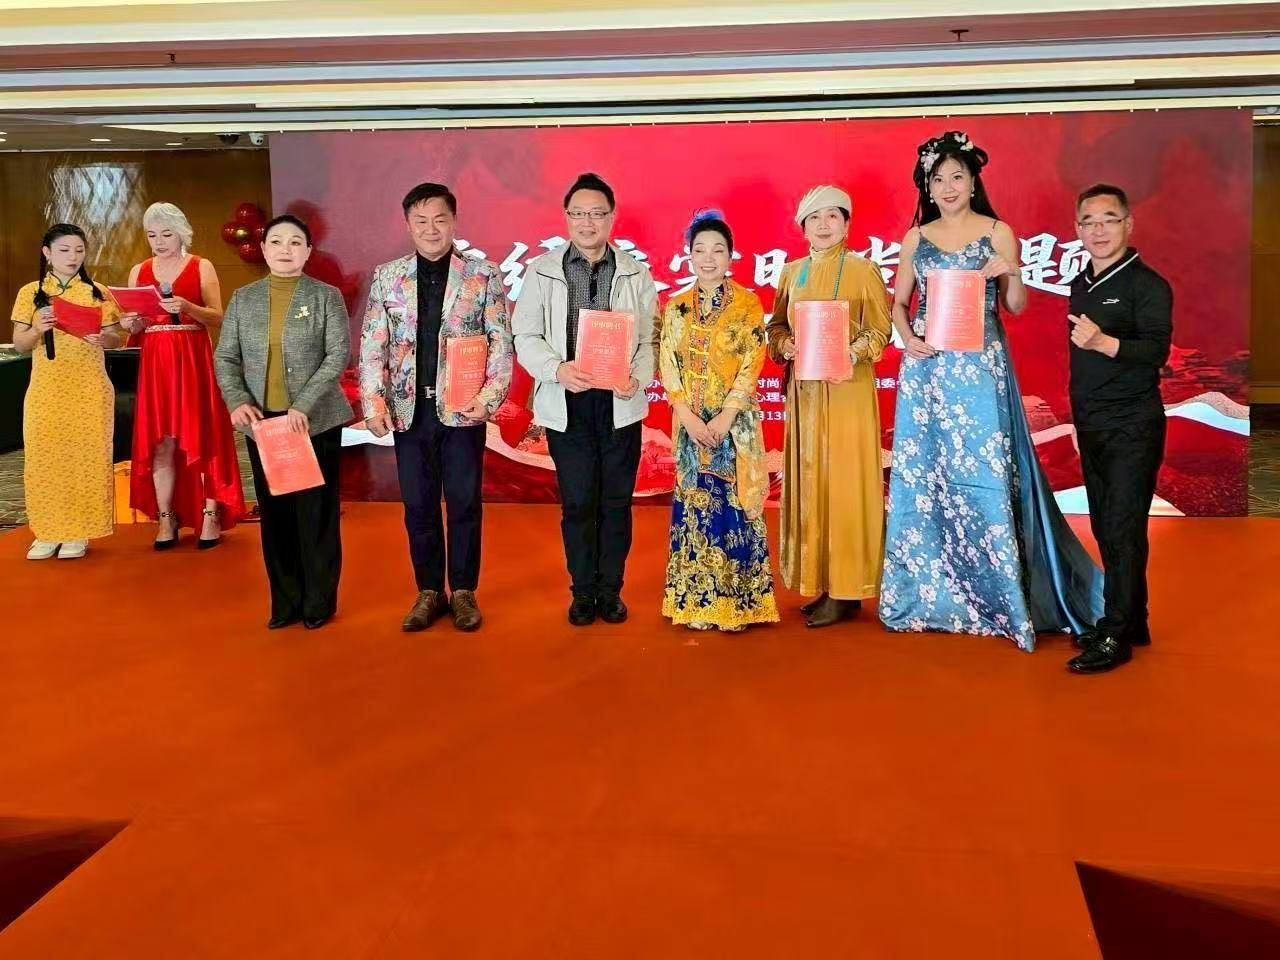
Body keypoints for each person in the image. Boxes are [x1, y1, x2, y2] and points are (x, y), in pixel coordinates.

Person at [879, 130, 1103, 651]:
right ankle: (929, 597)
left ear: (973, 180)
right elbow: (900, 304)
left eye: (957, 177)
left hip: (981, 369)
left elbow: (1017, 305)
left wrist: (1011, 272)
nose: (948, 187)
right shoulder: (916, 238)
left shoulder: (998, 232)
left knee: (986, 474)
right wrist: (909, 338)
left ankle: (1001, 596)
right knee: (927, 476)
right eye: (938, 179)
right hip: (929, 373)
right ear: (927, 187)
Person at [359, 182, 513, 633]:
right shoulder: (388, 277)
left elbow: (501, 343)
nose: (431, 229)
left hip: (463, 409)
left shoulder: (482, 275)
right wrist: (373, 402)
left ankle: (463, 591)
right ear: (408, 224)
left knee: (464, 502)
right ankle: (429, 591)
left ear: (454, 222)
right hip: (409, 412)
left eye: (440, 219)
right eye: (421, 221)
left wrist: (488, 398)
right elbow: (372, 344)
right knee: (418, 505)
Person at [512, 172, 659, 627]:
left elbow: (650, 339)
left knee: (615, 502)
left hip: (619, 404)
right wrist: (557, 369)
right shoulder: (542, 270)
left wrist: (637, 377)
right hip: (567, 401)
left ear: (612, 218)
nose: (587, 222)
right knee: (577, 503)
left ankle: (610, 590)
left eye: (597, 213)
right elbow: (525, 334)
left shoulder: (635, 273)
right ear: (566, 217)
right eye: (578, 213)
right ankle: (582, 591)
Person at [214, 214, 353, 630]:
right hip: (264, 424)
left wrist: (303, 404)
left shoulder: (326, 296)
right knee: (276, 517)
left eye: (295, 242)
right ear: (263, 249)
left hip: (314, 421)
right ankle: (286, 603)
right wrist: (237, 400)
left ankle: (318, 603)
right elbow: (226, 356)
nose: (285, 249)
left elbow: (337, 355)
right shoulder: (244, 298)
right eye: (276, 242)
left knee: (316, 515)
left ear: (308, 251)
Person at [764, 185, 892, 627]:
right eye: (814, 218)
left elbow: (880, 331)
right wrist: (785, 345)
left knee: (845, 485)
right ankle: (823, 582)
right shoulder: (792, 273)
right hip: (806, 396)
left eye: (833, 216)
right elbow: (776, 328)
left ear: (847, 224)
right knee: (812, 484)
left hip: (847, 392)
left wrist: (850, 353)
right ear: (803, 227)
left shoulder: (863, 270)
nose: (823, 225)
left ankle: (848, 588)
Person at [1063, 183, 1172, 674]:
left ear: (1128, 224)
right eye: (1088, 221)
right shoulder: (1081, 283)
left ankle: (1115, 632)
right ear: (1078, 229)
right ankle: (1133, 621)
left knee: (1123, 528)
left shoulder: (1148, 285)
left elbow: (1156, 351)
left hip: (1133, 424)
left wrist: (1105, 343)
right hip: (1092, 423)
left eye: (1109, 219)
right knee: (1107, 525)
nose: (1099, 230)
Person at [659, 210, 779, 632]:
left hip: (734, 427)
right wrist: (686, 415)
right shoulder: (676, 307)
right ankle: (695, 602)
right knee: (696, 508)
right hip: (691, 428)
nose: (708, 258)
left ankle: (739, 605)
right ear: (689, 255)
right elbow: (667, 364)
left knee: (735, 510)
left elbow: (752, 361)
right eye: (700, 250)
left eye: (717, 250)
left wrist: (727, 414)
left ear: (730, 256)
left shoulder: (747, 305)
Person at [119, 202, 245, 550]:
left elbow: (218, 316)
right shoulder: (139, 270)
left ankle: (211, 513)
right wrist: (131, 322)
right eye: (152, 235)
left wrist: (187, 307)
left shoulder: (201, 265)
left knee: (202, 433)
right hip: (155, 363)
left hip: (192, 358)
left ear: (182, 234)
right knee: (161, 441)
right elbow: (133, 324)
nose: (159, 242)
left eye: (166, 234)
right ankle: (166, 516)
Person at [10, 224, 125, 560]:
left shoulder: (97, 292)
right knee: (44, 458)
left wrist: (105, 339)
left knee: (86, 458)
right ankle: (47, 531)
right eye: (64, 250)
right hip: (46, 388)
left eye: (79, 250)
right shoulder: (31, 292)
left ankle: (79, 531)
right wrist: (36, 329)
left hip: (89, 387)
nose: (73, 257)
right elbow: (20, 344)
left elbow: (117, 338)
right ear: (47, 253)